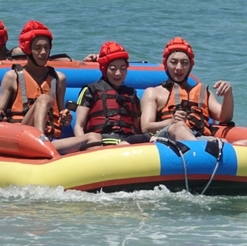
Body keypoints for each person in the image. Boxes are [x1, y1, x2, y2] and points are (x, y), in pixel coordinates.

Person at [140, 37, 247, 147]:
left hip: (196, 137)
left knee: (220, 141)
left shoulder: (202, 92)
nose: (179, 68)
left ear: (190, 66)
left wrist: (228, 94)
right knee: (180, 127)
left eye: (184, 63)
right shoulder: (153, 92)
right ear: (166, 64)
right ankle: (212, 150)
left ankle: (243, 146)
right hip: (168, 137)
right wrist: (171, 121)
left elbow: (224, 117)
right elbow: (145, 127)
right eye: (173, 62)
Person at [0, 21, 100, 153]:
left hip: (51, 141)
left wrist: (65, 119)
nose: (43, 52)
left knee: (94, 138)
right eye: (38, 48)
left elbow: (61, 116)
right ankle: (40, 144)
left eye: (46, 47)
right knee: (44, 99)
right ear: (28, 49)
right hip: (21, 138)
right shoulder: (12, 77)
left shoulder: (59, 79)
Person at [73, 41, 149, 145]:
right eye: (113, 69)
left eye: (123, 68)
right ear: (104, 69)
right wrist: (86, 146)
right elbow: (79, 126)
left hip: (129, 141)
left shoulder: (132, 94)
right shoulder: (90, 90)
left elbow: (139, 127)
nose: (118, 73)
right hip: (102, 141)